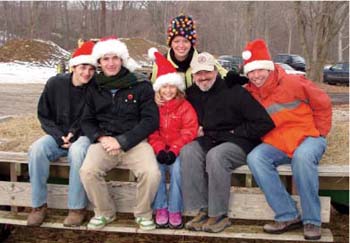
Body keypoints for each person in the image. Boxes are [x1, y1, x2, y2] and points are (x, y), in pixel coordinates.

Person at [240, 39, 332, 240]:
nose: (256, 76)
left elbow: (323, 103)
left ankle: (312, 220)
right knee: (256, 158)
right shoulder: (249, 93)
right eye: (251, 72)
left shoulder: (293, 82)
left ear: (269, 68)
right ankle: (288, 214)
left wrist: (321, 132)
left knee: (302, 157)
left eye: (259, 70)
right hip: (278, 143)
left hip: (309, 137)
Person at [181, 52, 275, 233]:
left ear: (215, 71)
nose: (203, 77)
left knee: (217, 156)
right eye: (198, 74)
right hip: (210, 139)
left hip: (238, 142)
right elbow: (174, 107)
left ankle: (219, 214)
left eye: (207, 72)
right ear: (193, 75)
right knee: (188, 151)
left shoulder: (234, 91)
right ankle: (203, 209)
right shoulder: (192, 93)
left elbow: (264, 123)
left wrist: (237, 131)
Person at [79, 36, 161, 231]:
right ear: (99, 62)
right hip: (104, 142)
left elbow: (150, 120)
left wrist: (124, 141)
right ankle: (105, 212)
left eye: (115, 58)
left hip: (135, 142)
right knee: (88, 171)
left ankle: (142, 213)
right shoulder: (93, 87)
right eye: (105, 59)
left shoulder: (140, 84)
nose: (111, 63)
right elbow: (86, 120)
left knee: (151, 173)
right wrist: (101, 137)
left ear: (122, 60)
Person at [27, 41, 97, 227]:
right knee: (37, 149)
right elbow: (43, 114)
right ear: (74, 66)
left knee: (78, 151)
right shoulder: (55, 84)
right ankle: (38, 205)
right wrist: (58, 136)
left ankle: (76, 207)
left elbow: (91, 118)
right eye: (83, 67)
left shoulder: (95, 88)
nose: (87, 73)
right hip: (57, 134)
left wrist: (73, 135)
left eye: (91, 69)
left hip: (83, 135)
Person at [147, 48, 199, 229]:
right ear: (158, 88)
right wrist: (160, 149)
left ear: (177, 88)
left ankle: (175, 208)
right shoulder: (154, 107)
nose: (168, 91)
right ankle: (161, 207)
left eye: (171, 87)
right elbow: (152, 131)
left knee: (178, 171)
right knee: (156, 171)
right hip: (160, 149)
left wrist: (175, 149)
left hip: (178, 149)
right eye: (164, 87)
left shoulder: (185, 106)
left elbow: (190, 130)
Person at [150, 14, 228, 90]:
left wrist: (232, 78)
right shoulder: (161, 63)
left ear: (191, 43)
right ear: (171, 43)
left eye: (185, 41)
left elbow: (225, 75)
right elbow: (152, 90)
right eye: (176, 41)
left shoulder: (203, 59)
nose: (181, 45)